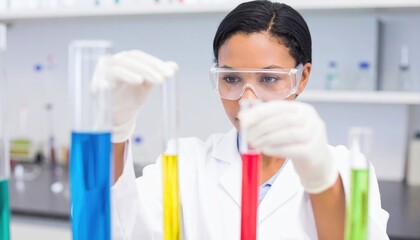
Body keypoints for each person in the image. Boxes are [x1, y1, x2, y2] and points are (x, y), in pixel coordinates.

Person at [102, 1, 389, 239]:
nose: (247, 100)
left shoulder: (346, 169)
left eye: (269, 78)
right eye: (231, 78)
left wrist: (323, 183)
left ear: (302, 78)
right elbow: (115, 229)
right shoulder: (187, 163)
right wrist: (115, 130)